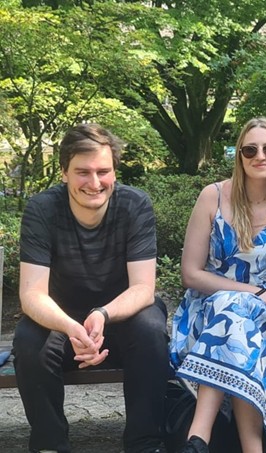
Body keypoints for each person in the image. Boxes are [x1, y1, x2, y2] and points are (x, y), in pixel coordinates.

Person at [13, 124, 171, 453]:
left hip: (121, 318)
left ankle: (145, 443)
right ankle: (50, 444)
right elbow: (32, 294)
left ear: (114, 171)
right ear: (64, 173)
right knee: (28, 340)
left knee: (151, 329)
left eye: (103, 171)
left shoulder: (134, 205)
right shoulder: (42, 209)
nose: (95, 182)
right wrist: (71, 327)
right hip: (61, 321)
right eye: (83, 172)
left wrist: (102, 314)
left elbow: (143, 288)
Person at [169, 117, 266, 453]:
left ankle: (197, 439)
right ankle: (252, 448)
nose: (260, 156)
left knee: (237, 322)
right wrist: (254, 292)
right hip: (208, 309)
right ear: (239, 156)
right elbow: (191, 274)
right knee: (232, 311)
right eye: (250, 150)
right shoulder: (213, 196)